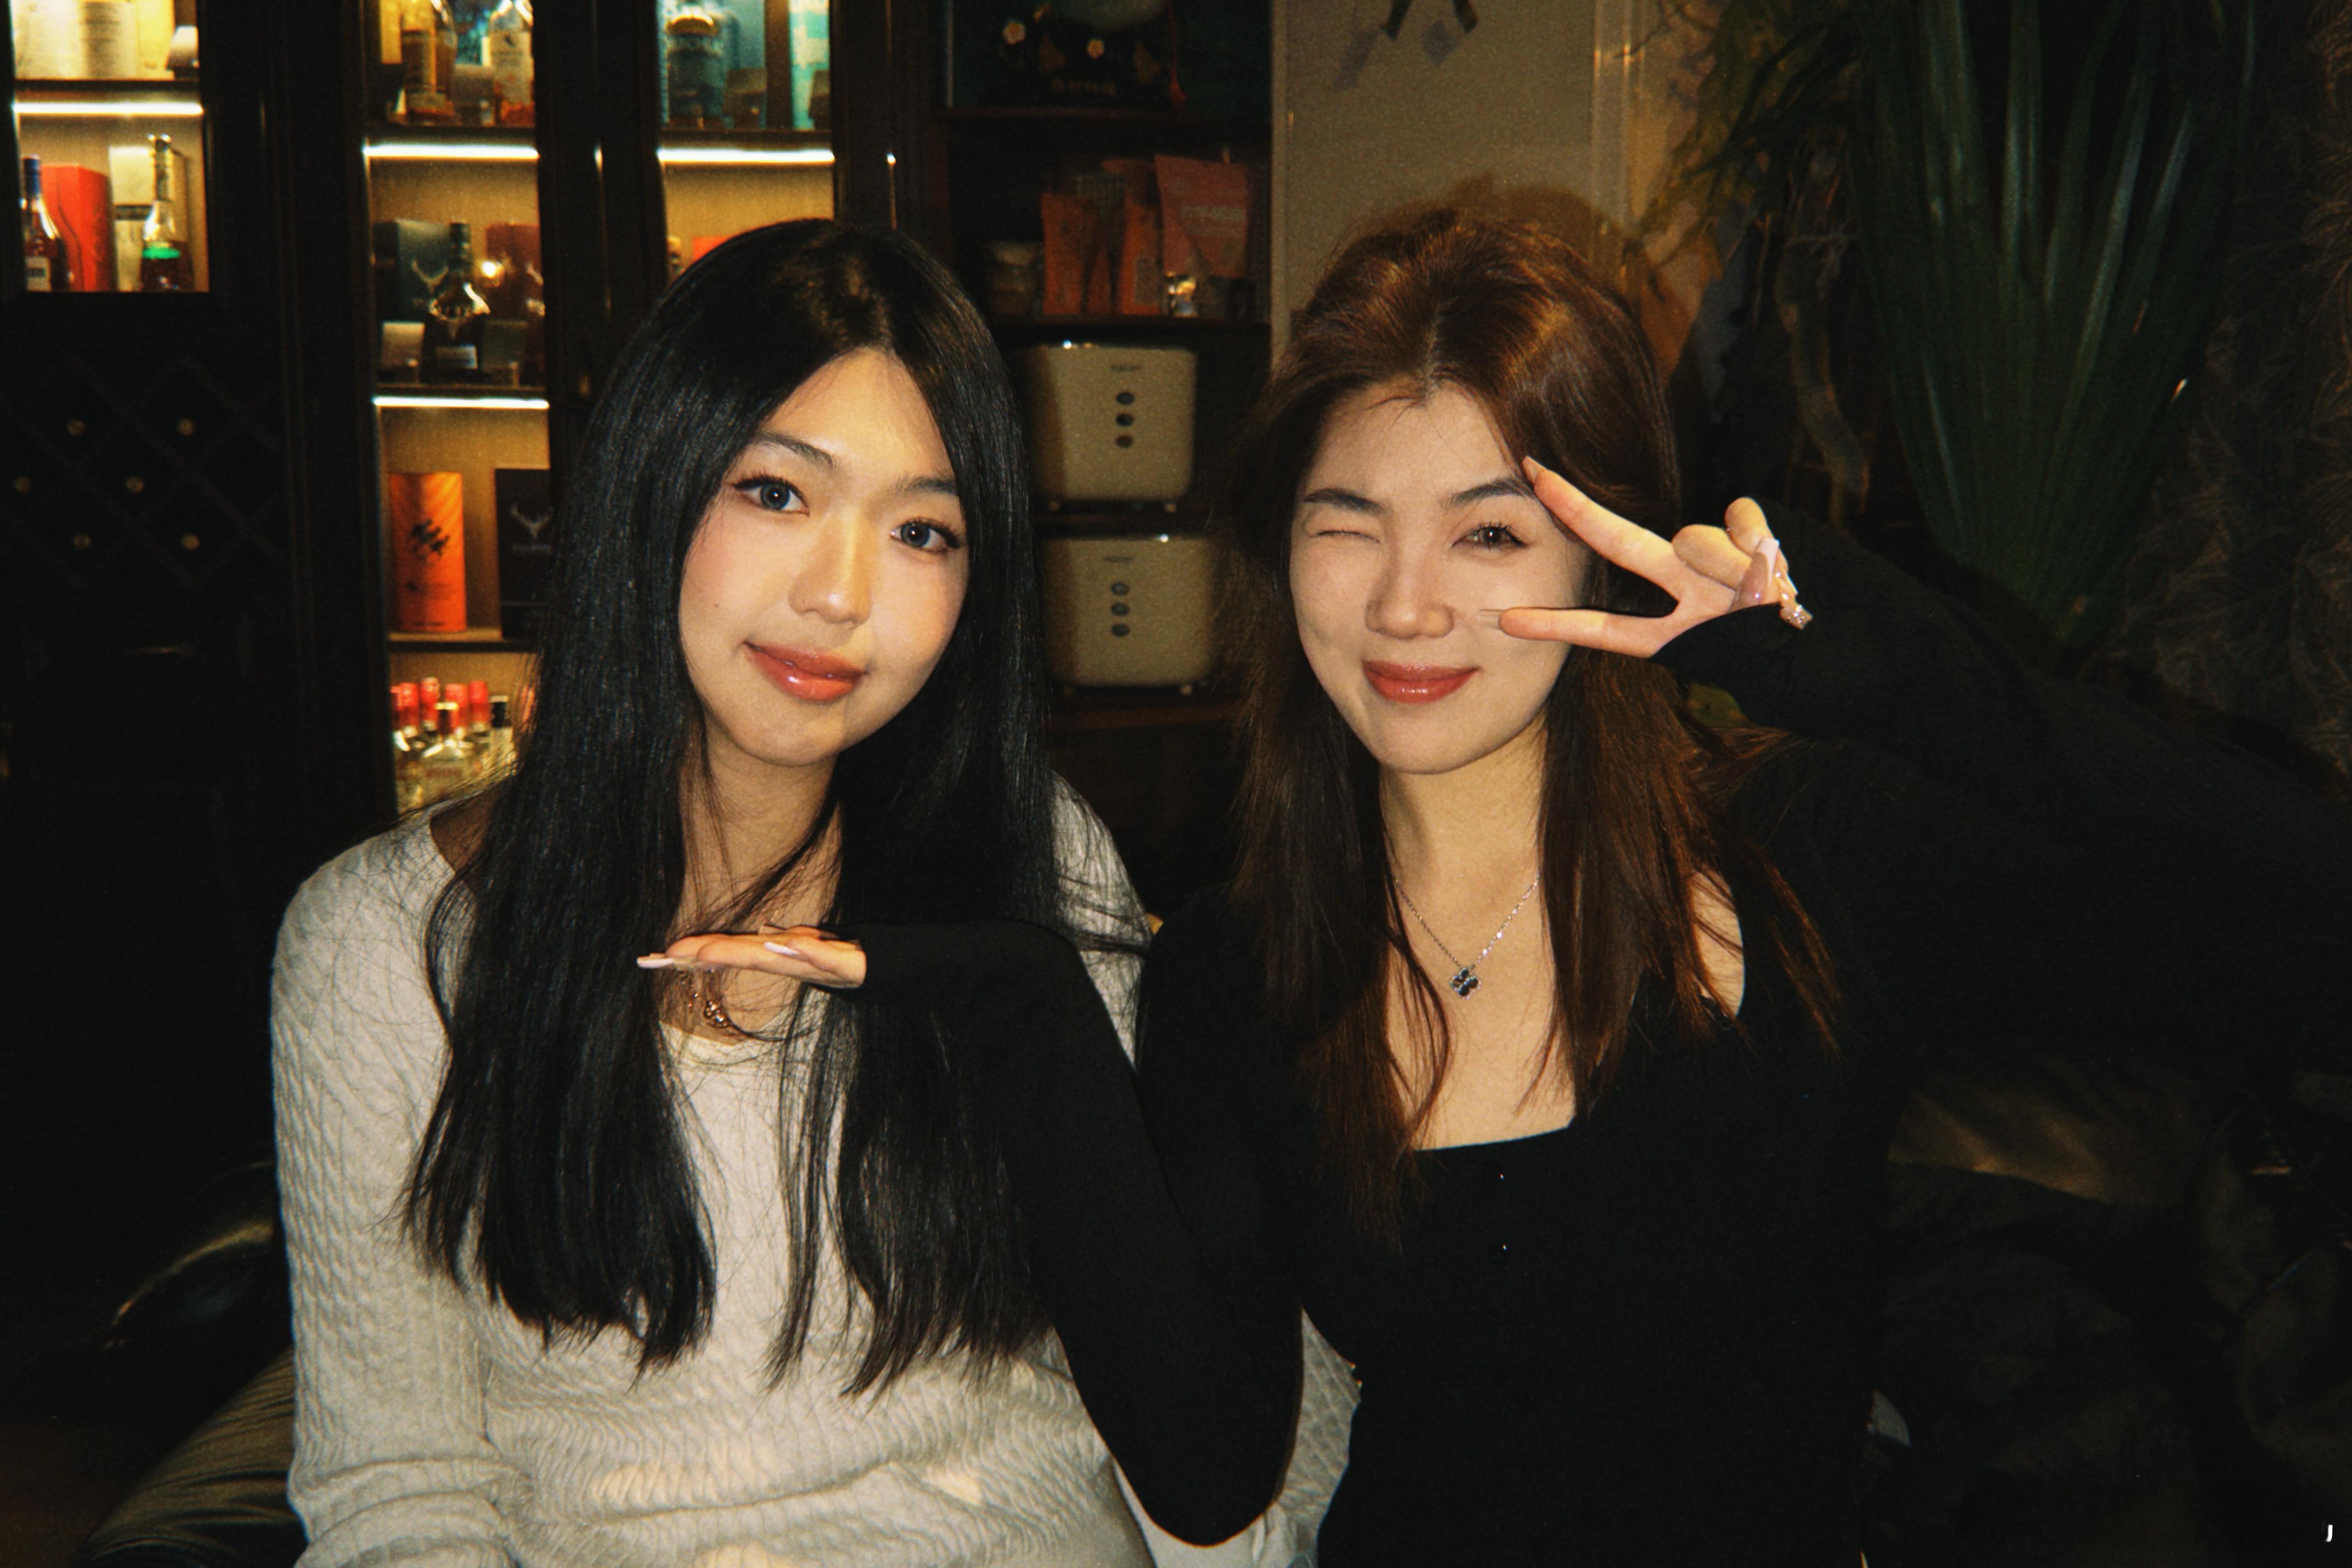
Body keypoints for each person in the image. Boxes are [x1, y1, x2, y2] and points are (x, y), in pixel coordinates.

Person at [654, 211, 2352, 1565]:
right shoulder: (1245, 967)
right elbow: (1209, 1468)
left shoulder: (1808, 862)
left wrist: (1887, 667)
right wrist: (1035, 1016)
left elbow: (2309, 923)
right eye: (1347, 522)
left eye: (1487, 532)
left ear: (1605, 547)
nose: (1406, 608)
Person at [273, 218, 1340, 1568]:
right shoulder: (382, 947)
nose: (841, 596)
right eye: (776, 493)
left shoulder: (1032, 862)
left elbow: (1176, 1359)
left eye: (923, 531)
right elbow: (401, 1498)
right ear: (656, 482)